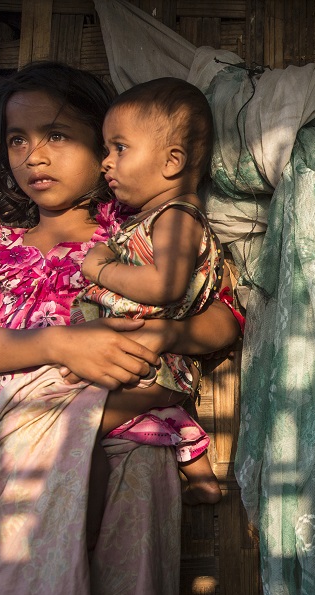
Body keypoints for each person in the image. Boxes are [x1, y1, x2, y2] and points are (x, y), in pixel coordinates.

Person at [0, 61, 239, 595]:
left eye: (57, 135)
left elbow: (222, 318)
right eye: (18, 139)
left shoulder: (142, 237)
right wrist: (58, 344)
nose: (34, 155)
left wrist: (163, 337)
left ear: (106, 148)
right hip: (32, 449)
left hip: (133, 449)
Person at [73, 77, 238, 505]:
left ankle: (83, 531)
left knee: (81, 429)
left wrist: (103, 268)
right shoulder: (150, 218)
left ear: (172, 161)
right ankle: (201, 480)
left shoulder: (177, 218)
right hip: (154, 362)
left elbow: (164, 286)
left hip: (156, 363)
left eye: (119, 148)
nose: (106, 162)